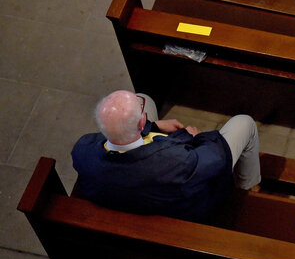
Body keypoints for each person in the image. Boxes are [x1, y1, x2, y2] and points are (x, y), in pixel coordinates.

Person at [71, 90, 261, 223]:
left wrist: (153, 127)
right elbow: (216, 157)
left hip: (124, 196)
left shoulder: (82, 150)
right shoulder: (175, 161)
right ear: (141, 122)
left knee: (143, 97)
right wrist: (196, 137)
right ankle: (247, 186)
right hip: (179, 209)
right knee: (244, 123)